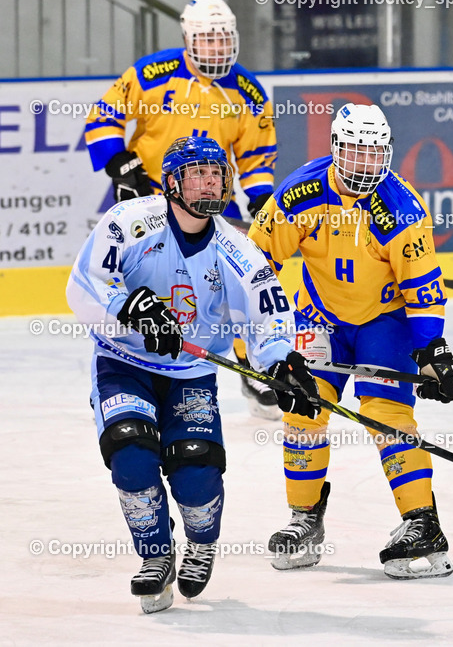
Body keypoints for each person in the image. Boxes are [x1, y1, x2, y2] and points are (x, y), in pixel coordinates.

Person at [66, 136, 319, 613]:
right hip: (125, 364)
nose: (210, 181)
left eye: (217, 172)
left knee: (196, 469)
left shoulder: (238, 250)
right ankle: (156, 556)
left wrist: (284, 365)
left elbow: (267, 319)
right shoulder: (127, 222)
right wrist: (131, 311)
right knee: (131, 453)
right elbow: (84, 286)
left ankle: (201, 542)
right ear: (172, 183)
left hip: (191, 372)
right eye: (198, 173)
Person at [248, 103, 453, 579]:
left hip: (384, 323)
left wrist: (432, 351)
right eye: (355, 152)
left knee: (385, 413)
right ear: (335, 149)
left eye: (374, 153)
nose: (365, 164)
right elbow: (254, 263)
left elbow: (423, 287)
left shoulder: (401, 210)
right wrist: (257, 344)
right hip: (319, 316)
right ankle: (304, 519)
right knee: (304, 408)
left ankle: (421, 523)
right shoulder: (299, 193)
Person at [84, 0, 282, 419]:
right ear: (188, 39)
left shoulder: (246, 91)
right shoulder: (152, 74)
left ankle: (251, 364)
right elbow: (103, 116)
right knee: (145, 290)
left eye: (223, 39)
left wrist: (261, 197)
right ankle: (127, 366)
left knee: (230, 285)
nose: (216, 48)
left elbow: (256, 155)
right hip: (149, 200)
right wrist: (120, 164)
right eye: (207, 40)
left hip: (205, 207)